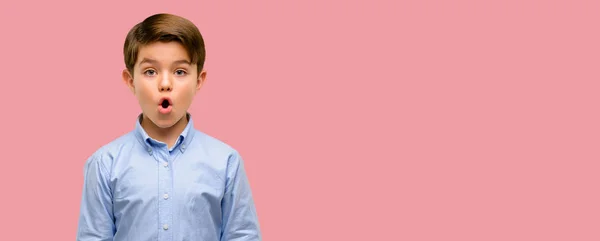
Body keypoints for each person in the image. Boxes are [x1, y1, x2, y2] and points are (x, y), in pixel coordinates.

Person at [76, 13, 262, 241]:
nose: (165, 84)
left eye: (180, 72)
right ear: (130, 81)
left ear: (199, 81)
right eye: (150, 72)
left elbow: (242, 236)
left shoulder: (226, 162)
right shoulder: (105, 163)